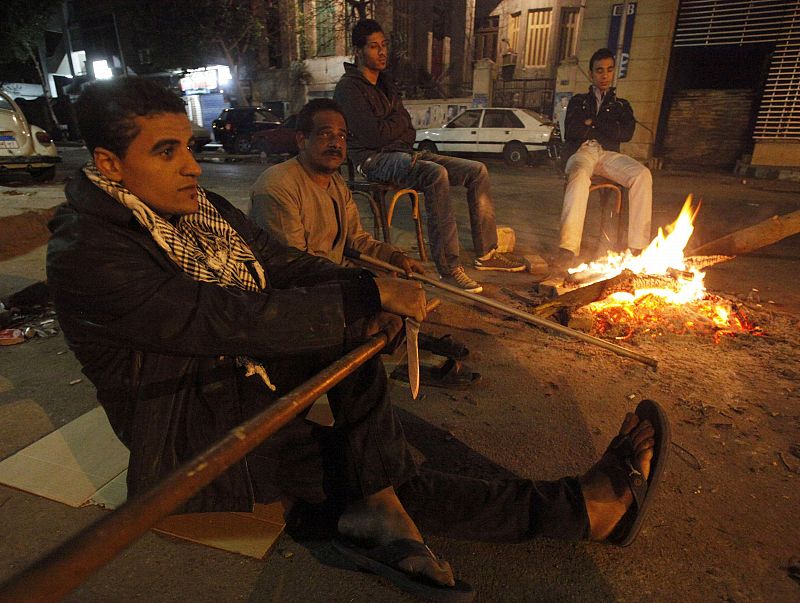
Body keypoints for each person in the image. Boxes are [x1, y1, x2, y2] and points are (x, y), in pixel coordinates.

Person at [47, 77, 669, 602]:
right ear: (109, 165)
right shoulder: (88, 250)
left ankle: (378, 498)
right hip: (192, 420)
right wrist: (364, 296)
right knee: (394, 468)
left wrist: (373, 285)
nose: (190, 164)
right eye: (166, 152)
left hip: (248, 376)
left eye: (186, 146)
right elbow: (219, 317)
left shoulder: (197, 208)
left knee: (381, 426)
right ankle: (585, 510)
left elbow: (281, 264)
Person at [249, 98, 478, 388]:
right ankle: (395, 358)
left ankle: (405, 344)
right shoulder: (278, 187)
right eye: (325, 133)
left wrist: (395, 259)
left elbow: (357, 241)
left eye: (342, 135)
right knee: (381, 302)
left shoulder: (336, 185)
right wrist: (369, 291)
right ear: (301, 139)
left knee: (399, 284)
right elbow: (295, 270)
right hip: (298, 298)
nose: (336, 143)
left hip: (330, 280)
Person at [333, 18, 526, 295]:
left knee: (477, 170)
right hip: (371, 161)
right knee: (436, 174)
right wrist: (396, 125)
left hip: (400, 152)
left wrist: (394, 127)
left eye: (384, 45)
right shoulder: (349, 88)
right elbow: (372, 137)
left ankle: (486, 253)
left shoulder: (386, 84)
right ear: (359, 51)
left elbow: (409, 129)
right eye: (374, 47)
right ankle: (449, 268)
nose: (382, 52)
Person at [555, 48, 653, 274]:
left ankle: (637, 247)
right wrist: (601, 127)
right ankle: (567, 249)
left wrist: (592, 123)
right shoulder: (578, 101)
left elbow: (625, 133)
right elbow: (572, 130)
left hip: (607, 154)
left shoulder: (621, 105)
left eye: (609, 70)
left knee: (642, 175)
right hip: (582, 151)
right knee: (579, 176)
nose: (605, 75)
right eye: (599, 71)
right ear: (591, 74)